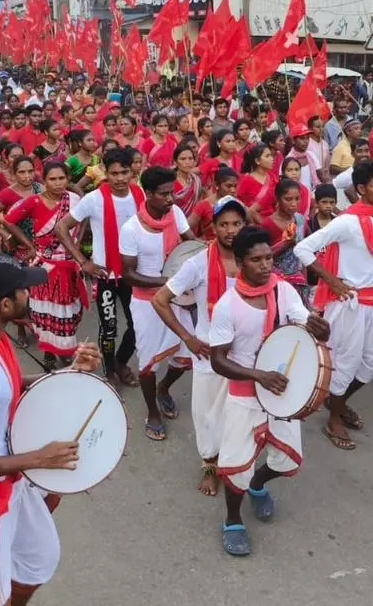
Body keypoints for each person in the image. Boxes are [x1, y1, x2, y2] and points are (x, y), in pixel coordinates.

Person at [0, 253, 102, 606]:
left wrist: (67, 374)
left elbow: (7, 386)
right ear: (5, 303)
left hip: (8, 477)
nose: (33, 296)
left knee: (37, 559)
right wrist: (39, 458)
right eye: (25, 290)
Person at [210, 226, 331, 557]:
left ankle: (258, 484)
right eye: (255, 259)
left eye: (268, 258)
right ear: (239, 263)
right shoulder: (227, 305)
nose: (265, 265)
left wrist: (319, 326)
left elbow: (304, 321)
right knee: (236, 465)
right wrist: (257, 375)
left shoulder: (284, 292)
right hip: (244, 393)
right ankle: (233, 520)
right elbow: (218, 360)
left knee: (284, 458)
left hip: (280, 389)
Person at [294, 160, 373, 450]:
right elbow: (302, 248)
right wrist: (332, 281)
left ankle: (337, 401)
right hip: (350, 303)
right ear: (361, 189)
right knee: (346, 364)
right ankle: (334, 417)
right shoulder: (348, 222)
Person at [152, 197, 247, 497]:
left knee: (240, 413)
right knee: (208, 414)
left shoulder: (253, 259)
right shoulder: (197, 262)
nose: (231, 230)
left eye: (237, 223)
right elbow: (160, 300)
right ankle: (210, 466)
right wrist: (189, 337)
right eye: (224, 224)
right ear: (213, 227)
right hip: (208, 351)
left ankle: (237, 464)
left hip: (245, 353)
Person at [56, 148, 142, 388]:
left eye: (124, 172)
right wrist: (83, 262)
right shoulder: (93, 198)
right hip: (105, 274)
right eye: (113, 173)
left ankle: (120, 362)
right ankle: (110, 371)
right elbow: (61, 228)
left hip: (132, 274)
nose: (119, 178)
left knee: (137, 325)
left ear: (132, 170)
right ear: (105, 171)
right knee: (109, 327)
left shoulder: (139, 194)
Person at [120, 166, 195, 441]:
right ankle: (152, 411)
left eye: (172, 193)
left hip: (178, 299)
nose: (171, 199)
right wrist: (167, 281)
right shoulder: (131, 229)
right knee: (148, 363)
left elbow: (191, 245)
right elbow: (128, 275)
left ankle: (164, 388)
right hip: (146, 304)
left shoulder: (175, 213)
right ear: (148, 194)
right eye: (164, 194)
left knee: (186, 355)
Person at [4, 162, 86, 367]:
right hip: (45, 266)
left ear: (67, 179)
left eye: (62, 178)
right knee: (44, 311)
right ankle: (50, 350)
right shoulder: (33, 201)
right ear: (44, 181)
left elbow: (84, 219)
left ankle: (64, 346)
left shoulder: (74, 200)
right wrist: (28, 244)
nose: (58, 183)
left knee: (70, 311)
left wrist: (78, 240)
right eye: (52, 179)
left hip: (68, 265)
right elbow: (9, 220)